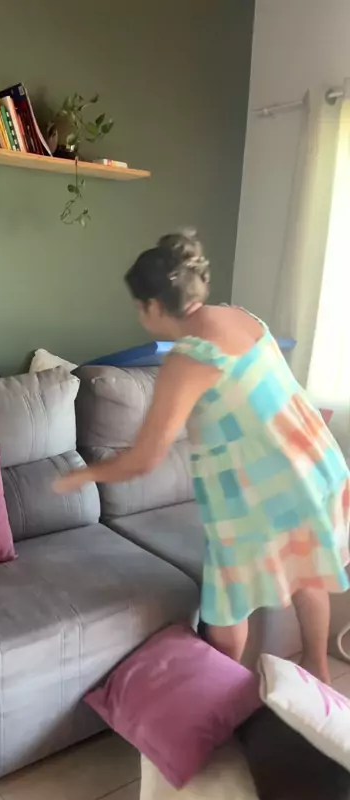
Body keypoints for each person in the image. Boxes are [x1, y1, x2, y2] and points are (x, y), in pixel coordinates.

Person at [54, 228, 350, 684]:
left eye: (139, 306)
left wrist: (78, 476)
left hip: (258, 493)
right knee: (308, 574)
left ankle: (225, 694)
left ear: (154, 306)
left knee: (227, 610)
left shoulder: (189, 358)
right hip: (313, 465)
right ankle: (318, 672)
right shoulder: (243, 317)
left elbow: (144, 459)